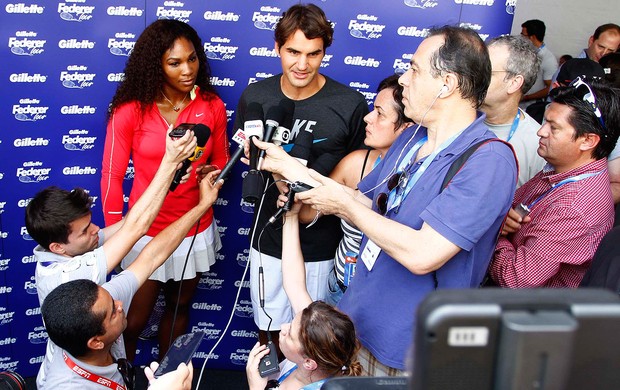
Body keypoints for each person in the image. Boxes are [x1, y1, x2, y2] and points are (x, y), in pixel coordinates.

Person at [253, 26, 518, 375]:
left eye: (414, 70)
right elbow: (363, 200)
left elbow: (424, 254)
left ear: (448, 83)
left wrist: (343, 205)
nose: (404, 80)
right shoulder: (412, 138)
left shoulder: (489, 160)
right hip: (357, 326)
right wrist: (290, 168)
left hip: (410, 351)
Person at [233, 3, 368, 358]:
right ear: (277, 48)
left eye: (314, 54)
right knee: (269, 338)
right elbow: (244, 156)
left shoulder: (350, 104)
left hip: (322, 246)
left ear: (325, 52)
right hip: (268, 238)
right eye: (293, 51)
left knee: (314, 346)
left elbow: (359, 177)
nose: (302, 64)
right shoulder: (255, 97)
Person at [101, 19, 229, 360]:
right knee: (133, 318)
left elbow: (222, 159)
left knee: (179, 306)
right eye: (174, 62)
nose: (187, 70)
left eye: (192, 59)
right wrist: (117, 235)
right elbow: (112, 177)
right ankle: (123, 377)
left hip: (193, 227)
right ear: (155, 64)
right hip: (145, 231)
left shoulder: (212, 105)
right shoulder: (130, 111)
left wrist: (210, 173)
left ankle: (168, 375)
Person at [27, 131, 197, 388]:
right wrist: (170, 161)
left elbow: (132, 228)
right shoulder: (70, 275)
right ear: (58, 246)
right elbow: (137, 227)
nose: (96, 229)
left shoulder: (64, 254)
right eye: (85, 231)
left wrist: (170, 180)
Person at [38, 169, 223, 389]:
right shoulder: (69, 385)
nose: (120, 304)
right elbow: (136, 227)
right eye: (113, 312)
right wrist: (170, 163)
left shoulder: (96, 302)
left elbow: (151, 256)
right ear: (96, 341)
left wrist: (200, 205)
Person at [490, 79, 620, 288]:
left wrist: (494, 232)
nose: (541, 132)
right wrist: (503, 216)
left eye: (554, 128)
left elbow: (515, 279)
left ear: (588, 141)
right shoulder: (564, 168)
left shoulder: (573, 207)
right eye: (545, 122)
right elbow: (513, 202)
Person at [297, 74, 412, 306]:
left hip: (385, 301)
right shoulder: (355, 164)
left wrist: (348, 204)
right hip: (340, 289)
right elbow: (306, 214)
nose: (368, 118)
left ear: (406, 127)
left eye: (380, 114)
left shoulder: (419, 176)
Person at [246, 198, 361, 390]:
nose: (283, 327)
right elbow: (294, 282)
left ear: (309, 363)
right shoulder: (315, 350)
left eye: (290, 334)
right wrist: (291, 216)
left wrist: (255, 388)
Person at [481, 35, 546, 187]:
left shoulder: (536, 145)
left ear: (514, 83)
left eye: (486, 70)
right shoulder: (455, 115)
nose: (475, 75)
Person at [519, 20, 558, 109]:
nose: (520, 37)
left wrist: (527, 97)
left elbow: (551, 88)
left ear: (532, 37)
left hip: (532, 108)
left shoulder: (548, 59)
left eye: (523, 35)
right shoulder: (524, 52)